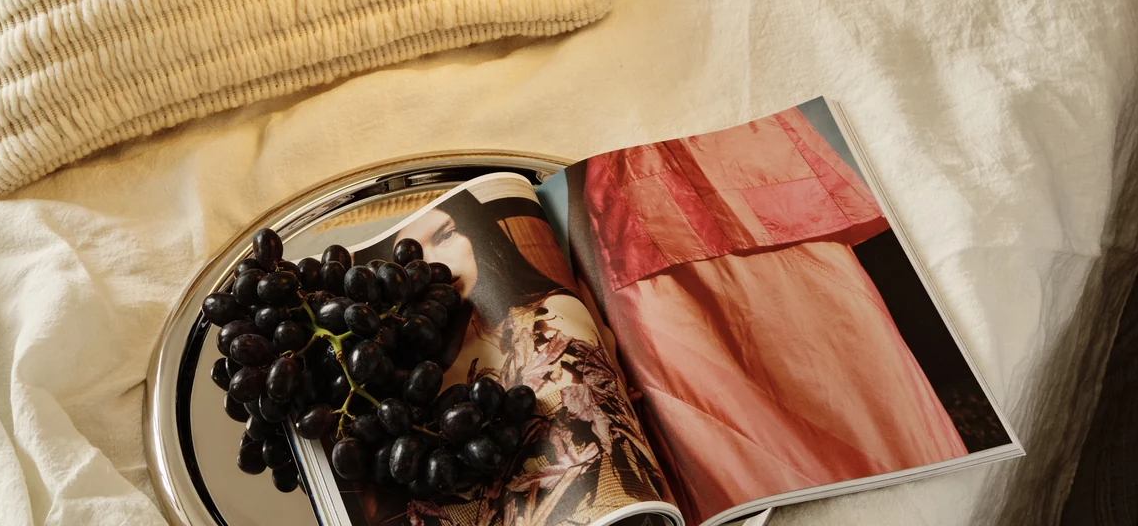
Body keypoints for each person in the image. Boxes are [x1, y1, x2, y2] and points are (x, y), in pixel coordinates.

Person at [565, 108, 969, 524]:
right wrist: (594, 311)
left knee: (872, 419)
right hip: (645, 243)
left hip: (767, 206)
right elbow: (580, 167)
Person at [353, 189, 669, 526]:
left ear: (476, 236)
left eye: (446, 235)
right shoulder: (405, 400)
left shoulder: (548, 320)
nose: (434, 265)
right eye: (410, 261)